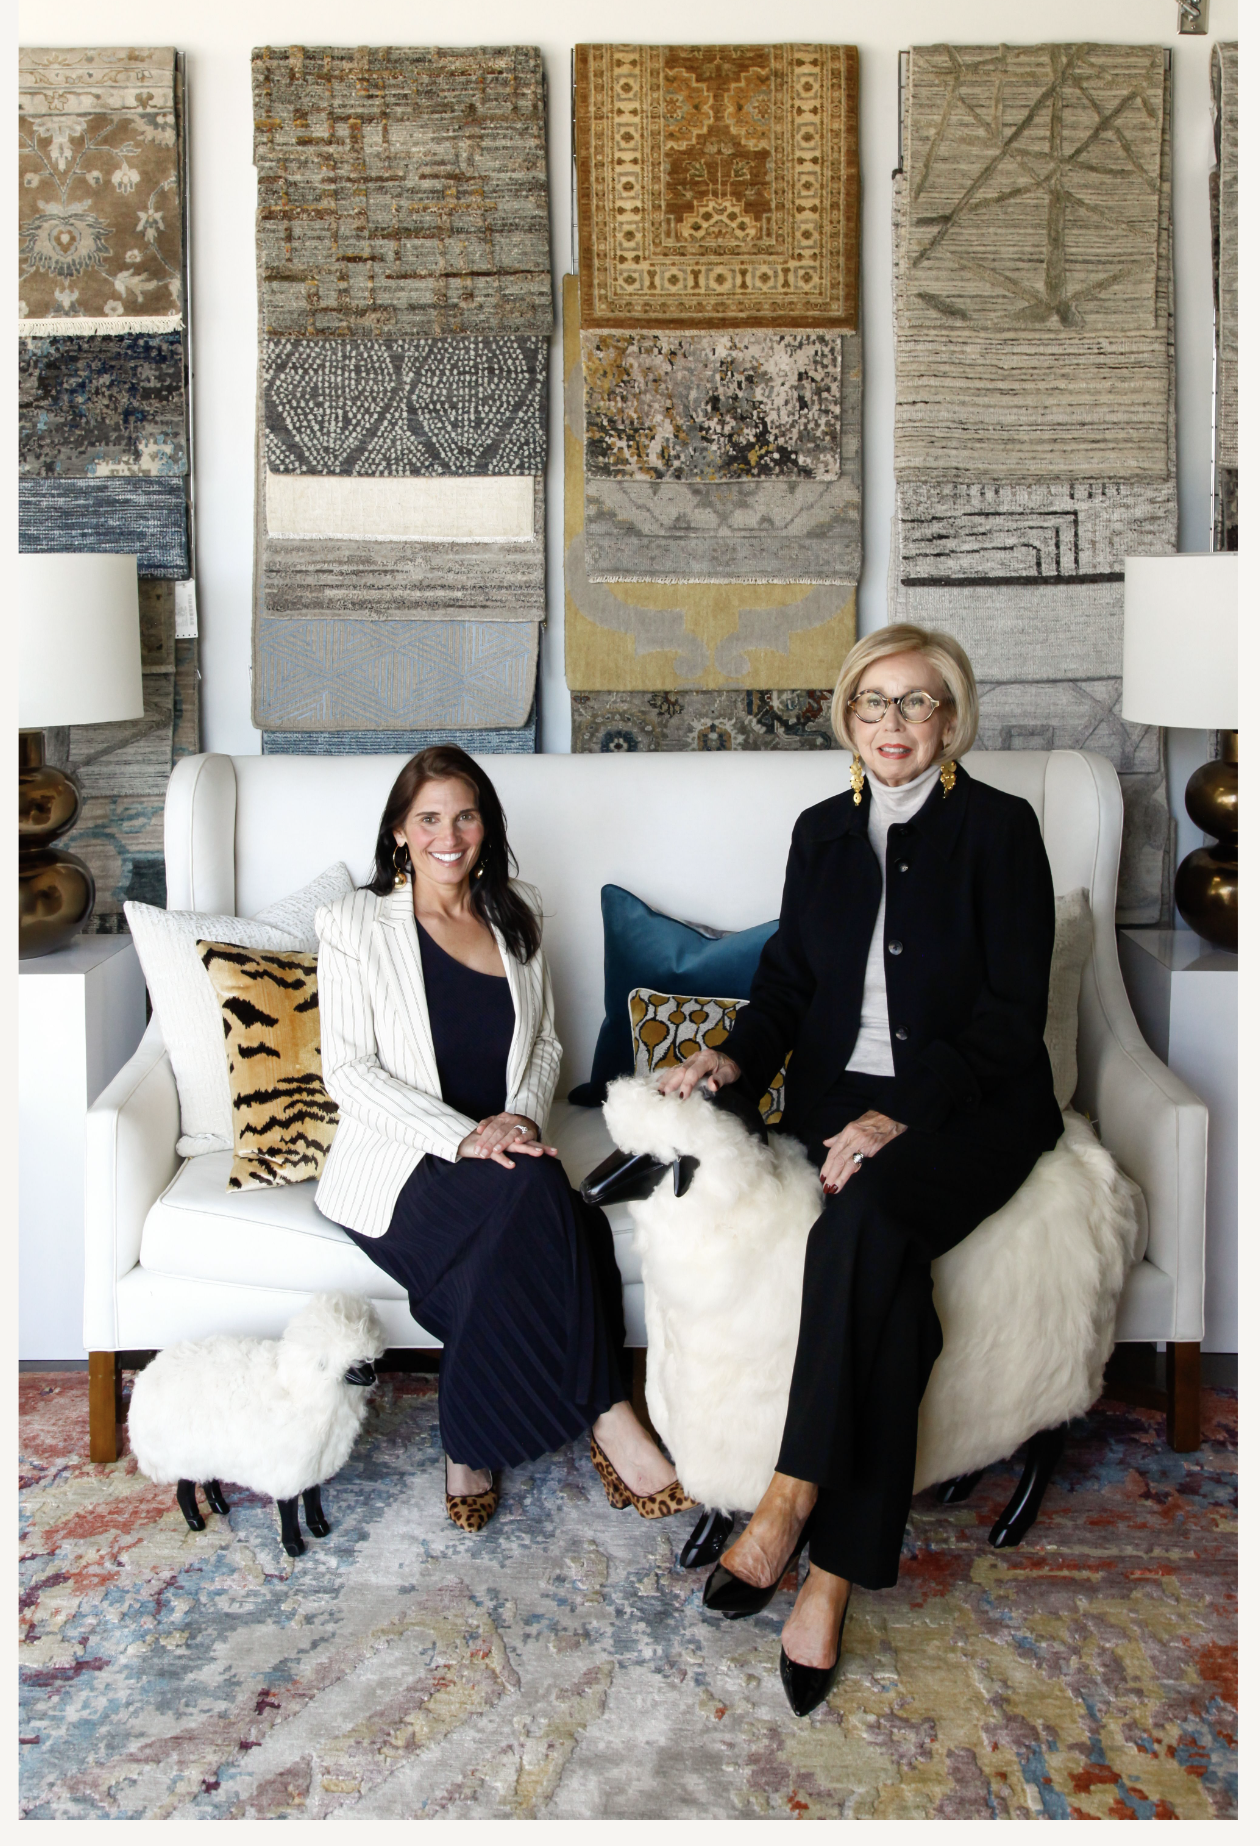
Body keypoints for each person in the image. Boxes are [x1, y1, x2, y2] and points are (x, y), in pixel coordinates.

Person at [659, 624, 1063, 1715]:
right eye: (874, 702)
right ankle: (835, 1573)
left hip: (972, 1106)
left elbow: (1009, 1019)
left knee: (867, 1216)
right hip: (842, 1100)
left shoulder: (1002, 829)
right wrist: (734, 1059)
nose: (894, 723)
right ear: (848, 717)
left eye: (917, 701)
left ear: (951, 717)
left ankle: (793, 1501)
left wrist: (899, 1114)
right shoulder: (821, 833)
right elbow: (790, 984)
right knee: (891, 1292)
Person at [315, 745, 693, 1532]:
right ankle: (611, 1416)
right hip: (403, 1165)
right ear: (398, 832)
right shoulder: (354, 922)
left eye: (465, 816)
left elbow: (546, 1044)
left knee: (529, 1198)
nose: (448, 836)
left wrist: (517, 1119)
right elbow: (349, 1072)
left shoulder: (516, 910)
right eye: (428, 819)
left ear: (486, 826)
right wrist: (466, 1139)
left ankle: (471, 1442)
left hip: (507, 1153)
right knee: (557, 1205)